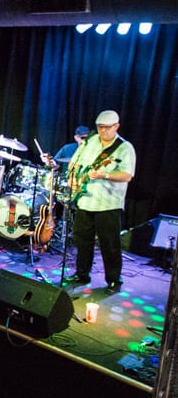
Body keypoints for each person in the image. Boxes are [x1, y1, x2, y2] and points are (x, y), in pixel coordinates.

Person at [64, 110, 135, 294]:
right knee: (82, 239)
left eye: (106, 128)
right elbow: (75, 162)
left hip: (108, 203)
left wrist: (105, 174)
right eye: (100, 127)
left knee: (109, 243)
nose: (102, 131)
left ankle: (113, 280)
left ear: (116, 126)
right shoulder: (90, 142)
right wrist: (72, 177)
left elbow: (127, 175)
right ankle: (82, 274)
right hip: (85, 199)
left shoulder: (124, 148)